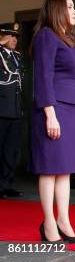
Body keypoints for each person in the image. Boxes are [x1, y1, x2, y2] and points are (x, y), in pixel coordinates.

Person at [30, 0, 75, 243]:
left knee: (65, 170)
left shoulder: (70, 40)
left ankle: (63, 220)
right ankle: (49, 223)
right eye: (70, 7)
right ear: (56, 9)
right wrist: (49, 114)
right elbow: (42, 77)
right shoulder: (46, 36)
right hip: (54, 109)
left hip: (72, 108)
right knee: (50, 169)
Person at [0, 23, 24, 199]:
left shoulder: (17, 57)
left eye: (16, 37)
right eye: (10, 36)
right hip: (1, 110)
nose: (14, 39)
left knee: (11, 150)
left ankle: (6, 184)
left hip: (15, 110)